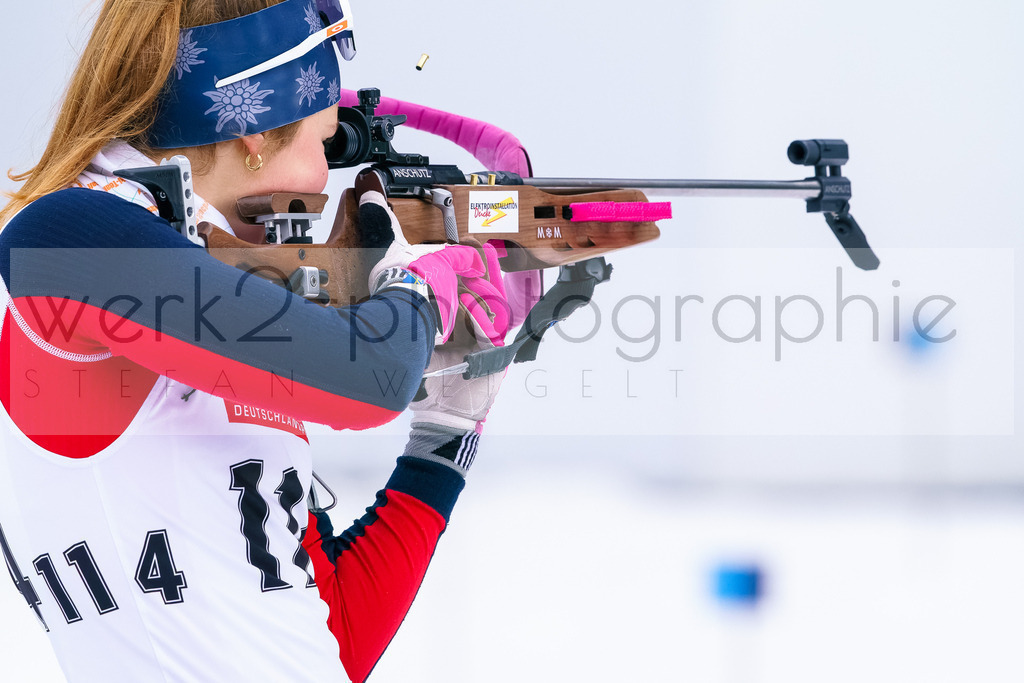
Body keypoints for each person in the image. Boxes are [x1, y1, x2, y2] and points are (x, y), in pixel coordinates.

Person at [0, 1, 509, 681]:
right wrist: (422, 286)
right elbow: (373, 376)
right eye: (323, 143)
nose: (326, 180)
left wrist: (445, 432)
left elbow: (329, 635)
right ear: (255, 134)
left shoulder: (212, 295)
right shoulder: (64, 234)